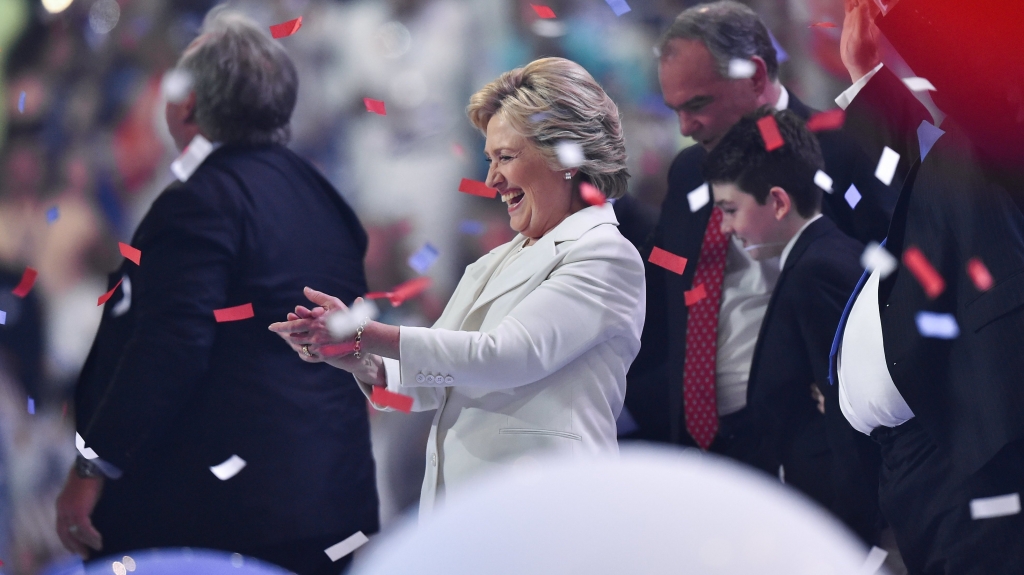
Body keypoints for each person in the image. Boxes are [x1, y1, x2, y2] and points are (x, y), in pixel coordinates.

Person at [55, 8, 378, 574]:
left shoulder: (201, 201)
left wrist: (93, 466)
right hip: (328, 512)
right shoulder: (326, 202)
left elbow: (169, 348)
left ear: (187, 105)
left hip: (216, 519)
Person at [270, 57, 644, 517]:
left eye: (506, 157)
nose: (491, 180)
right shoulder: (492, 263)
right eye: (489, 160)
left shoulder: (605, 254)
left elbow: (504, 356)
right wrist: (354, 360)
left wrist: (366, 332)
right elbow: (423, 388)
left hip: (550, 516)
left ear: (565, 158)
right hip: (471, 518)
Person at [619, 0, 886, 543]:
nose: (686, 126)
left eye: (698, 104)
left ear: (757, 76)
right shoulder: (690, 169)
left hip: (808, 450)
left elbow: (885, 277)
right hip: (700, 447)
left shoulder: (841, 149)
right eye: (674, 109)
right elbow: (669, 273)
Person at [830, 1, 1024, 572]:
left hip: (980, 446)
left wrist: (902, 11)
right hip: (920, 460)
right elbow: (898, 174)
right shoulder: (954, 153)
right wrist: (864, 73)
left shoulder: (999, 128)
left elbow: (980, 86)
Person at [702, 107, 871, 529]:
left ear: (777, 201)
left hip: (837, 517)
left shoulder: (817, 269)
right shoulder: (821, 255)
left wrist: (856, 535)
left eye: (730, 209)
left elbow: (847, 422)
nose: (724, 228)